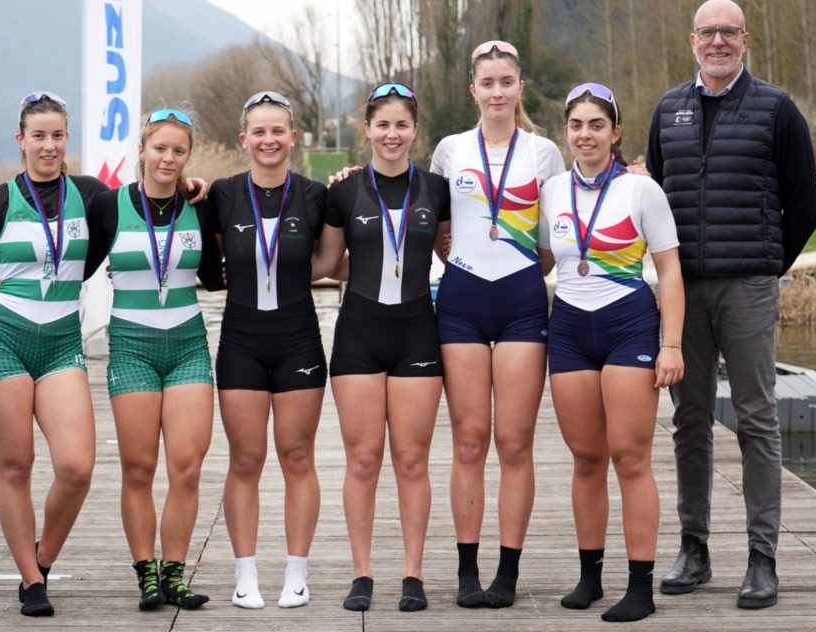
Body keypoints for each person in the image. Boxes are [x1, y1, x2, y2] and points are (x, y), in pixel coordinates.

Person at [646, 0, 816, 609]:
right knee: (689, 420)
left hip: (748, 286)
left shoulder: (777, 109)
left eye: (728, 32)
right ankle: (693, 548)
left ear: (744, 38)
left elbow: (805, 206)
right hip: (683, 292)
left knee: (756, 420)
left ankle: (762, 557)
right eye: (707, 32)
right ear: (692, 40)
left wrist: (766, 265)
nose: (717, 41)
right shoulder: (668, 110)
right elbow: (655, 199)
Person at [0, 92, 107, 617]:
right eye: (38, 136)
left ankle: (43, 557)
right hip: (3, 341)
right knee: (16, 465)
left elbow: (142, 202)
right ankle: (31, 581)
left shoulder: (90, 194)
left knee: (77, 467)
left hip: (61, 343)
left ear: (67, 138)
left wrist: (193, 189)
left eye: (57, 135)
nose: (49, 146)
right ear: (21, 141)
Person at [539, 83, 684, 622]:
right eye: (577, 125)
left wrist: (671, 344)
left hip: (628, 324)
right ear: (566, 132)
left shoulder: (642, 191)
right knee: (586, 459)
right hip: (569, 328)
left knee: (629, 456)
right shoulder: (552, 190)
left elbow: (670, 271)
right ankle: (590, 577)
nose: (586, 135)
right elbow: (542, 260)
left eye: (597, 125)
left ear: (615, 132)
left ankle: (640, 587)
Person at [430, 40, 564, 609]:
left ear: (520, 88)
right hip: (461, 301)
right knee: (468, 442)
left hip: (521, 303)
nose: (497, 92)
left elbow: (556, 237)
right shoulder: (450, 150)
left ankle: (506, 574)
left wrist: (523, 271)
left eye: (506, 82)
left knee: (513, 443)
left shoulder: (543, 153)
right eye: (487, 83)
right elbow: (435, 226)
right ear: (474, 91)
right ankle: (467, 572)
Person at [315, 82, 450, 612]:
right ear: (367, 129)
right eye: (383, 125)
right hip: (359, 334)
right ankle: (362, 573)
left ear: (415, 130)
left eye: (402, 125)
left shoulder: (436, 188)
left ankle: (413, 574)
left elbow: (455, 251)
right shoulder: (344, 191)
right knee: (364, 459)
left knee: (412, 460)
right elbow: (328, 265)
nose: (392, 134)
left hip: (417, 331)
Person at [89, 108, 223, 611]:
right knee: (139, 469)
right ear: (142, 150)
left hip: (187, 345)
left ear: (188, 156)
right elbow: (74, 266)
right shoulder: (110, 206)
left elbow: (215, 277)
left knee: (186, 468)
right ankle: (146, 573)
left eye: (178, 150)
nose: (168, 158)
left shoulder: (199, 205)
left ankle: (175, 574)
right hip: (132, 346)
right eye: (160, 148)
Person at [206, 91, 328, 609]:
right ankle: (246, 576)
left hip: (299, 338)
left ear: (292, 138)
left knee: (297, 457)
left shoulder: (316, 195)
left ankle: (297, 574)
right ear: (244, 139)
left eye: (278, 131)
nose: (269, 140)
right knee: (246, 460)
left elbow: (333, 260)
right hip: (241, 341)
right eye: (259, 131)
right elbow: (206, 260)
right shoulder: (221, 193)